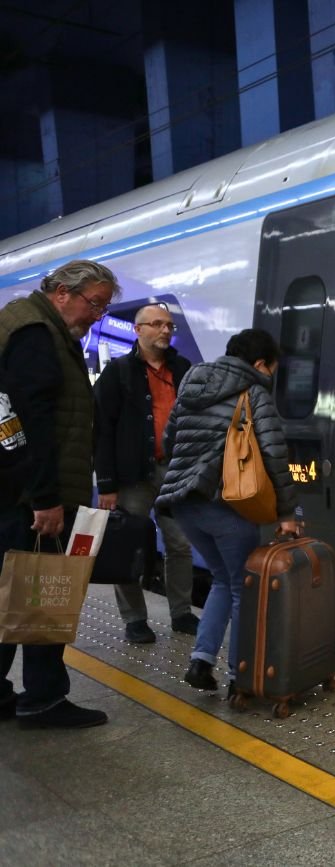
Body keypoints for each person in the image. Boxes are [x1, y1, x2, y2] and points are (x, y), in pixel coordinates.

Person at [0, 259, 120, 728]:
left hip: (14, 489)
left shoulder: (26, 323)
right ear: (62, 293)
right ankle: (45, 698)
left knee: (14, 593)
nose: (98, 315)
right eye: (96, 303)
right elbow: (35, 420)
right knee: (43, 594)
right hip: (31, 496)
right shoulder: (36, 333)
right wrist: (45, 498)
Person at [155, 328, 300, 693]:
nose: (271, 376)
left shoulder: (191, 381)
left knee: (223, 580)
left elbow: (168, 442)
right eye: (271, 368)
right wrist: (286, 512)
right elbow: (274, 455)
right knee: (243, 589)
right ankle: (240, 676)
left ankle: (201, 662)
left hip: (184, 504)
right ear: (259, 364)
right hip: (227, 505)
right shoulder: (253, 393)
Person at [93, 303, 197, 642]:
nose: (166, 330)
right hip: (132, 476)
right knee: (127, 545)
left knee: (179, 544)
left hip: (174, 470)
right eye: (157, 324)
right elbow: (102, 429)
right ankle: (135, 619)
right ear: (138, 330)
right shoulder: (119, 372)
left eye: (169, 325)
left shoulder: (183, 368)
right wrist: (106, 483)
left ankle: (181, 613)